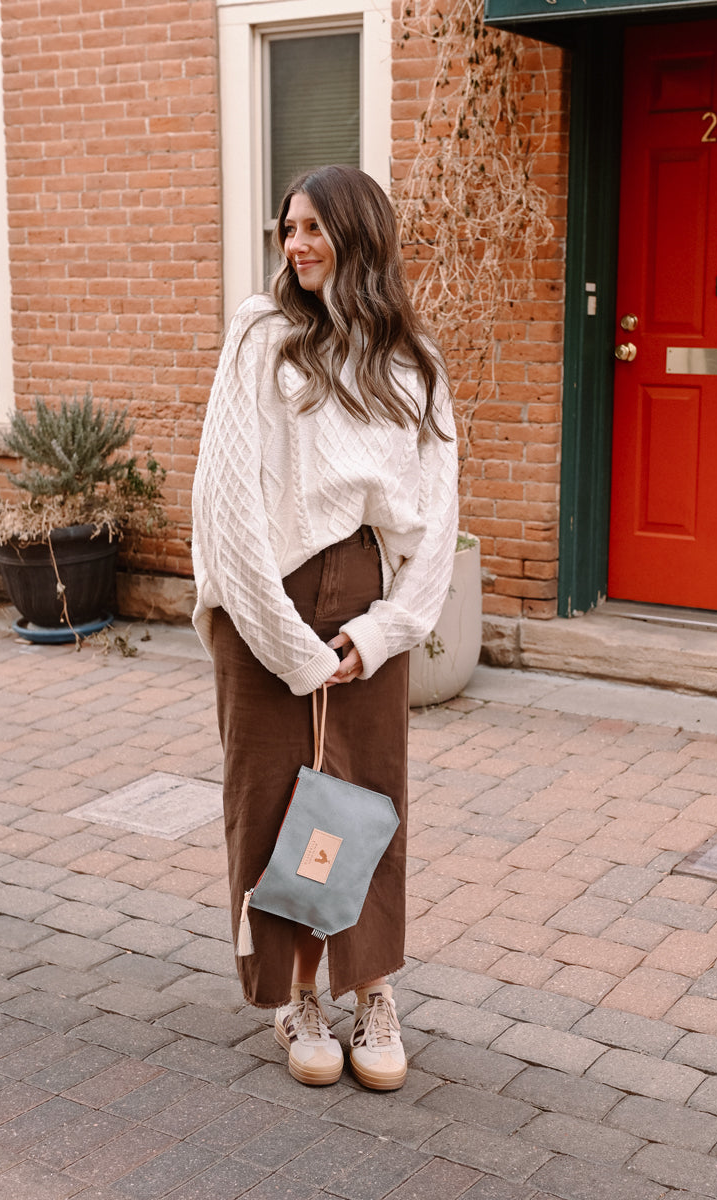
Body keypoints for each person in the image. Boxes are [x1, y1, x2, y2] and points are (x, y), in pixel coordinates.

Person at [191, 164, 458, 1091]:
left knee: (365, 800)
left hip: (366, 603)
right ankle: (297, 991)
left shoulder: (412, 361)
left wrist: (383, 634)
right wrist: (290, 644)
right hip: (267, 598)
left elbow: (439, 518)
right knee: (271, 798)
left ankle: (371, 989)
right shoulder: (262, 338)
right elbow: (226, 502)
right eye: (287, 229)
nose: (296, 245)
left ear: (361, 234)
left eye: (314, 227)